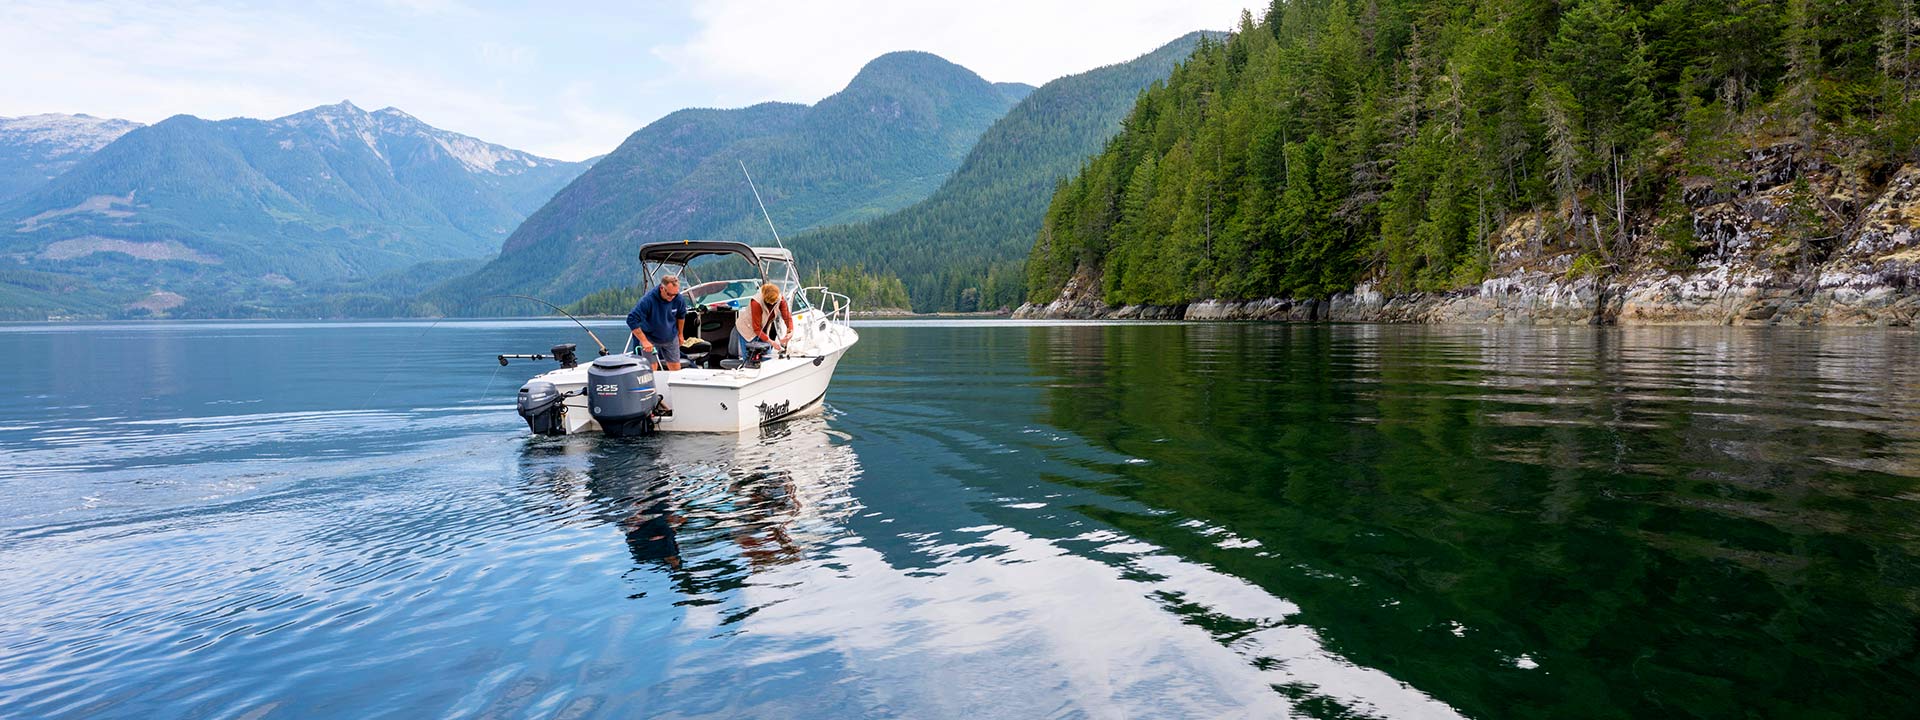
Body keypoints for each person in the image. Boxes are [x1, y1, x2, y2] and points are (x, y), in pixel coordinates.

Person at [625, 274, 689, 370]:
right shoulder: (648, 300)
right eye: (669, 294)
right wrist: (644, 341)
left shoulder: (678, 299)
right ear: (661, 288)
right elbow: (631, 319)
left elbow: (681, 316)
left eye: (675, 294)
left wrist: (680, 334)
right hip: (649, 337)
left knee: (676, 368)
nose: (672, 297)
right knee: (651, 368)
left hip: (670, 337)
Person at [733, 282, 794, 361]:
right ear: (765, 298)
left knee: (767, 357)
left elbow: (787, 317)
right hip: (747, 330)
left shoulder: (780, 299)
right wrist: (772, 342)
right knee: (750, 359)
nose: (772, 304)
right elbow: (756, 328)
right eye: (770, 302)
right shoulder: (756, 303)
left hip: (762, 329)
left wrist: (790, 332)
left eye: (774, 302)